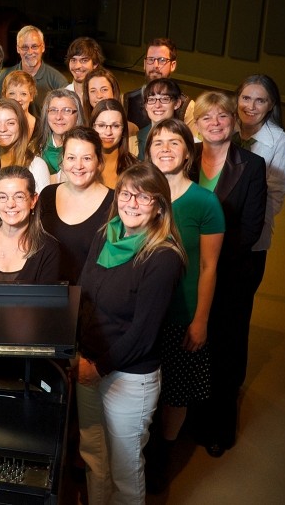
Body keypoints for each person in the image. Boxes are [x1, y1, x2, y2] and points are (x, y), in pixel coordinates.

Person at [76, 162, 186, 505]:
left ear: (159, 206)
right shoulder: (105, 235)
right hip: (88, 363)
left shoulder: (162, 257)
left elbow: (143, 334)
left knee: (125, 471)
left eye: (143, 197)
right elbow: (83, 295)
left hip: (127, 377)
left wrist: (98, 368)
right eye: (125, 194)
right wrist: (79, 353)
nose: (131, 203)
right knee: (94, 457)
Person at [144, 117, 225, 488]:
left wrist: (200, 320)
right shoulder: (138, 196)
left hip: (182, 314)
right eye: (158, 142)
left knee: (175, 394)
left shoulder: (205, 203)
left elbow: (209, 267)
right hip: (144, 313)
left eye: (174, 142)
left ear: (189, 152)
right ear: (148, 151)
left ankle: (163, 455)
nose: (165, 149)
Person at [190, 92, 268, 458]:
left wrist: (208, 257)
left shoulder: (252, 165)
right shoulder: (185, 157)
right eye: (207, 117)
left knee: (224, 350)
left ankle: (218, 428)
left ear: (234, 122)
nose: (215, 123)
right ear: (197, 124)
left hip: (231, 273)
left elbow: (250, 229)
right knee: (190, 348)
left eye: (222, 116)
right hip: (187, 271)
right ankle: (187, 420)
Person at [38, 126, 114, 284]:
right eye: (71, 158)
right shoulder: (47, 195)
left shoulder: (115, 202)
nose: (78, 166)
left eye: (87, 158)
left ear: (99, 162)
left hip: (92, 295)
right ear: (63, 160)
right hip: (48, 292)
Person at [0, 166, 60, 282]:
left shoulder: (49, 250)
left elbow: (46, 295)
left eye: (19, 196)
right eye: (3, 197)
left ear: (33, 200)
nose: (10, 204)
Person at [235, 74, 285, 255]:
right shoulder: (224, 128)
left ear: (271, 105)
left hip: (249, 235)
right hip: (213, 227)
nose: (251, 107)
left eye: (260, 101)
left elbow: (275, 195)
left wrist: (246, 229)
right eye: (246, 98)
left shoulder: (281, 141)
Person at [123, 38, 194, 131]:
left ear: (172, 65)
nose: (155, 65)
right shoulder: (127, 100)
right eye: (150, 59)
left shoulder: (187, 106)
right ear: (144, 64)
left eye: (162, 60)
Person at [0, 98, 50, 192]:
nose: (2, 129)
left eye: (10, 123)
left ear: (21, 125)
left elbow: (42, 201)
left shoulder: (36, 166)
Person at [15, 25, 67, 113]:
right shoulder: (5, 77)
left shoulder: (58, 81)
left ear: (43, 47)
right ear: (17, 49)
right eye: (24, 47)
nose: (30, 52)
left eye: (34, 46)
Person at [36, 89, 84, 176]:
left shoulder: (87, 149)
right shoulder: (34, 149)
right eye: (53, 110)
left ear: (78, 115)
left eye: (66, 110)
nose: (58, 117)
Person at [92, 99, 137, 189]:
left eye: (115, 126)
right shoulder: (80, 166)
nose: (108, 132)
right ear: (93, 127)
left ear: (123, 130)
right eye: (101, 125)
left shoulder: (136, 169)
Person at [135, 79, 183, 163]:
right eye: (151, 99)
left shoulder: (185, 137)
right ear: (145, 105)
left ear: (177, 103)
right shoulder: (137, 137)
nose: (157, 105)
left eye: (164, 99)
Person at [66, 36, 105, 108]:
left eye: (84, 60)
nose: (77, 66)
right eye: (73, 60)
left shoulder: (102, 96)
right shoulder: (64, 95)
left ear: (95, 64)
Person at [3, 69, 37, 134]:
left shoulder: (42, 127)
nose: (18, 99)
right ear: (4, 96)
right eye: (12, 93)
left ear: (31, 96)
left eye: (23, 94)